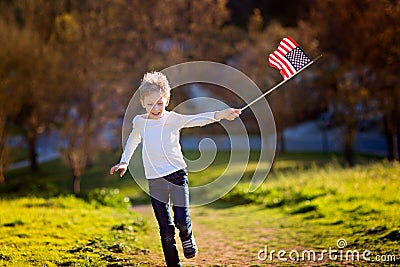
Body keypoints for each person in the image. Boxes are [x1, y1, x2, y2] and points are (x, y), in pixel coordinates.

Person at [110, 71, 241, 267]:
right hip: (155, 181)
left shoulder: (172, 119)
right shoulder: (139, 122)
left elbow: (198, 119)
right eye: (150, 104)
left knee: (181, 220)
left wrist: (221, 115)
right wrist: (124, 161)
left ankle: (187, 236)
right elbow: (133, 140)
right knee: (165, 228)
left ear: (167, 100)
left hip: (178, 175)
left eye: (160, 103)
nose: (156, 108)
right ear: (143, 103)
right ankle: (173, 263)